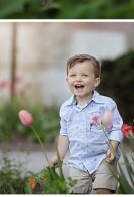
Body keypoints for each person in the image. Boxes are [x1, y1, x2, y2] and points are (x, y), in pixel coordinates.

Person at [53, 53, 123, 194]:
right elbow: (64, 134)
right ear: (67, 80)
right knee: (75, 192)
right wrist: (59, 156)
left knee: (104, 189)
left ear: (96, 81)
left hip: (104, 157)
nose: (78, 79)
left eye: (84, 75)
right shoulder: (66, 108)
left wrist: (113, 147)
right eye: (73, 75)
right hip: (78, 162)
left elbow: (117, 128)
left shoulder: (106, 104)